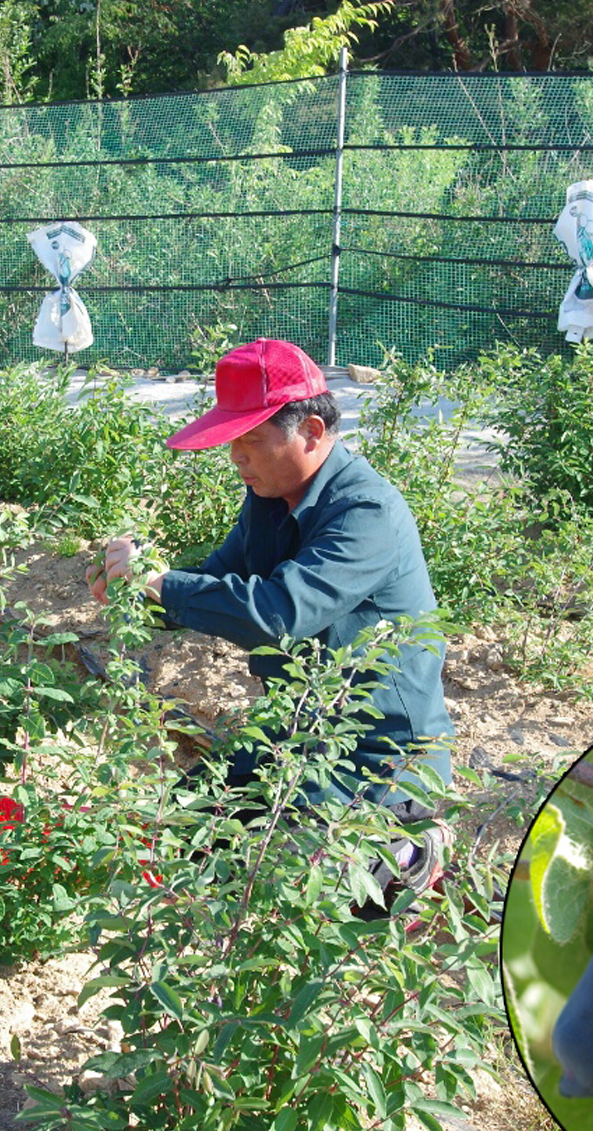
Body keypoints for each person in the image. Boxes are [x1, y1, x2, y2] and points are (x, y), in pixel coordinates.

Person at [89, 337, 455, 898]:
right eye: (232, 441)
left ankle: (413, 846)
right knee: (177, 833)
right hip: (296, 737)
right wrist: (135, 590)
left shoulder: (366, 512)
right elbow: (217, 580)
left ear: (311, 431)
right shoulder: (268, 500)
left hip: (380, 756)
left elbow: (280, 613)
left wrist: (162, 582)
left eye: (251, 441)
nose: (236, 457)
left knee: (296, 884)